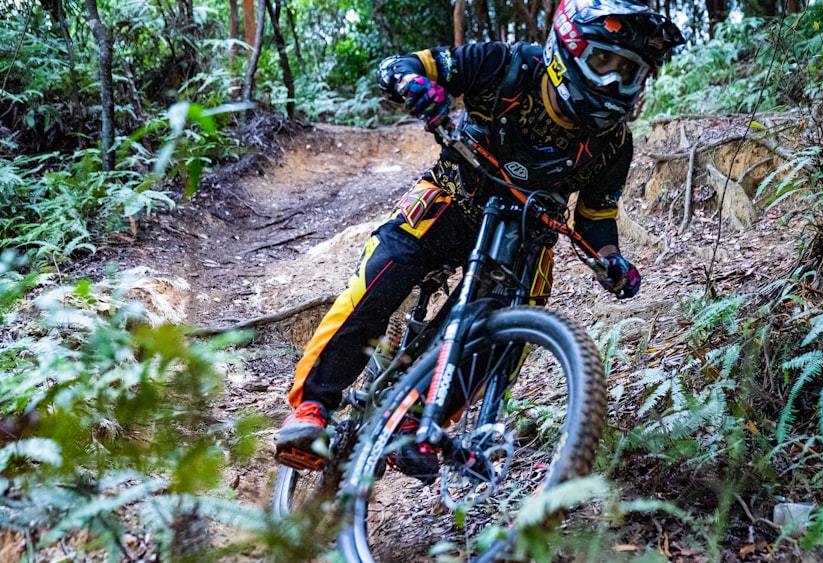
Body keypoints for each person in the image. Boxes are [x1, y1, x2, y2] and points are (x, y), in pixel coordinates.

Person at [275, 0, 684, 475]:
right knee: (386, 268)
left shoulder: (615, 143)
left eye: (628, 71)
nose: (613, 81)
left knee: (502, 331)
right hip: (453, 200)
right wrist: (415, 84)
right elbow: (402, 67)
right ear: (567, 51)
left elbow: (595, 218)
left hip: (527, 239)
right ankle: (312, 407)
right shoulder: (506, 66)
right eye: (602, 62)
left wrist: (611, 260)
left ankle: (415, 423)